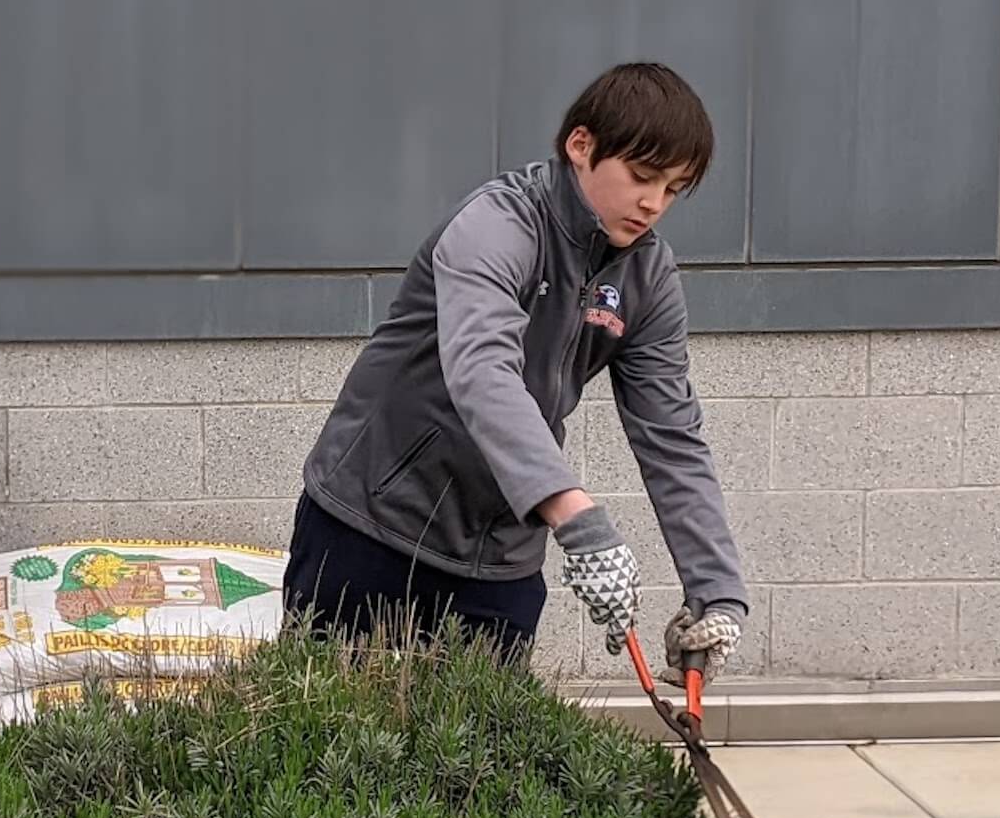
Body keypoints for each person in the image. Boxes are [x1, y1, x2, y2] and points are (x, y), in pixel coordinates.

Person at [284, 62, 749, 683]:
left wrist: (715, 589)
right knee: (320, 738)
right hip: (371, 522)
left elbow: (672, 436)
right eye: (641, 177)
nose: (653, 204)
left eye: (672, 188)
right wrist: (578, 518)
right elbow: (483, 372)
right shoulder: (496, 224)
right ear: (580, 146)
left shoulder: (647, 278)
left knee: (480, 762)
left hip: (498, 553)